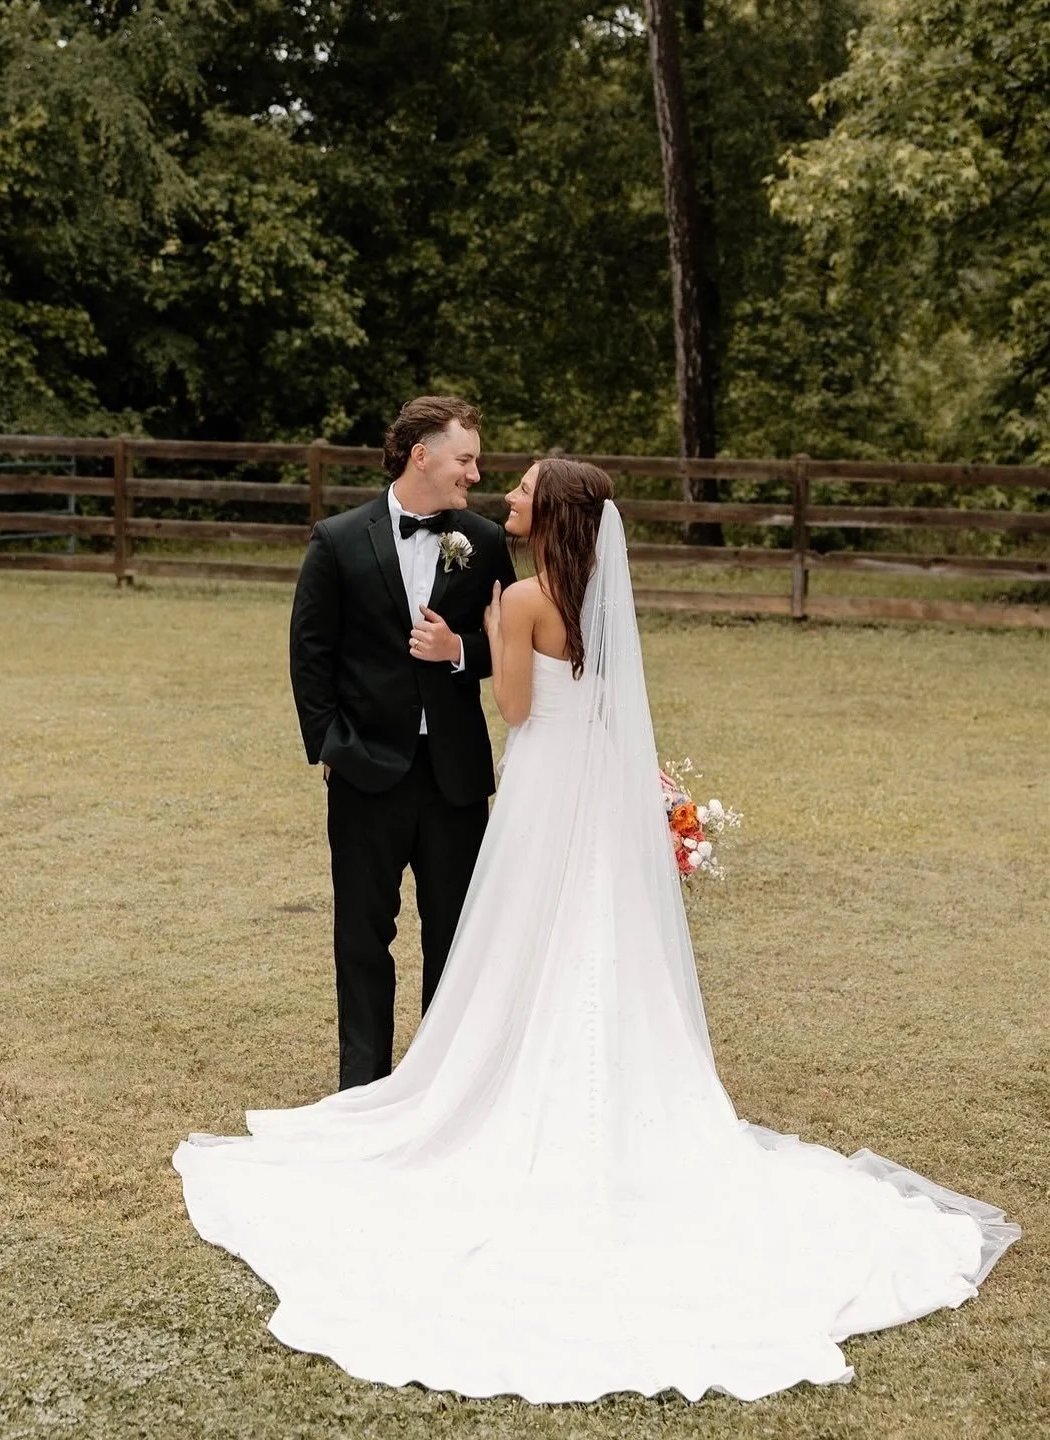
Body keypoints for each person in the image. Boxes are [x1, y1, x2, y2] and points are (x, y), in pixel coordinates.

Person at [176, 459, 1018, 1404]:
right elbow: (610, 708)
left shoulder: (530, 598)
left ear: (553, 513)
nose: (507, 498)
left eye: (524, 488)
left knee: (522, 942)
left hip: (542, 790)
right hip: (597, 796)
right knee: (597, 944)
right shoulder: (601, 600)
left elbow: (518, 710)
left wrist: (491, 636)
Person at [288, 395, 516, 1090]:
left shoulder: (484, 540)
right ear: (423, 454)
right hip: (365, 768)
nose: (475, 474)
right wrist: (331, 745)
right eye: (466, 458)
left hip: (453, 775)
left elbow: (514, 647)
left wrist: (457, 650)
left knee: (454, 935)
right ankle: (362, 1087)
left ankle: (441, 1087)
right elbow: (310, 650)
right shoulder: (338, 538)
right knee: (362, 934)